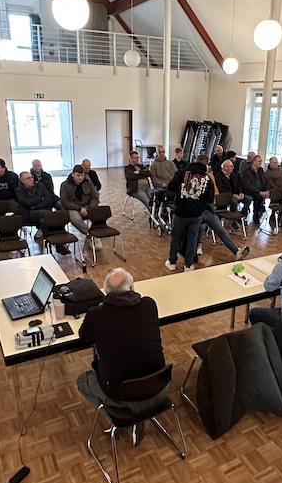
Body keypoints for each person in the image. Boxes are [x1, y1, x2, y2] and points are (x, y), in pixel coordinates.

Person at [77, 268, 166, 446]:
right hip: (158, 386)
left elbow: (84, 336)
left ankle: (125, 420)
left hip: (119, 392)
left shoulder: (96, 314)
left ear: (106, 294)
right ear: (132, 288)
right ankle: (135, 418)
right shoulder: (149, 305)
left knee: (82, 382)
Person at [165, 160, 214, 272]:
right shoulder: (207, 178)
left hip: (180, 212)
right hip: (196, 214)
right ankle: (188, 265)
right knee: (192, 239)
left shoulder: (181, 173)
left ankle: (172, 262)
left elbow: (171, 187)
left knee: (176, 237)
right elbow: (210, 199)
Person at [15, 170, 67, 251]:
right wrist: (40, 198)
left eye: (32, 177)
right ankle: (58, 242)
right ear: (22, 181)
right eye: (28, 178)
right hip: (28, 214)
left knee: (44, 220)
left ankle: (56, 241)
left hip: (41, 212)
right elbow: (27, 203)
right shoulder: (18, 191)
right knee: (49, 215)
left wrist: (35, 206)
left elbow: (48, 199)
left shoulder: (40, 186)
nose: (31, 179)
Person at [60, 164, 100, 246]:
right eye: (78, 175)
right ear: (73, 174)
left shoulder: (88, 182)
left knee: (99, 213)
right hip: (73, 208)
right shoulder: (65, 185)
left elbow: (95, 197)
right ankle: (91, 234)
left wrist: (90, 208)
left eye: (82, 175)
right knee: (75, 218)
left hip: (87, 206)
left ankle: (95, 233)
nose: (80, 178)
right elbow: (65, 202)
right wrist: (79, 209)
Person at [240, 153, 269, 223]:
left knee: (269, 194)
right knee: (259, 197)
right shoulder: (247, 172)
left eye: (261, 161)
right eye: (259, 161)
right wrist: (260, 192)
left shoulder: (261, 170)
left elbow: (265, 181)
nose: (261, 163)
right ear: (254, 162)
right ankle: (256, 215)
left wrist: (267, 190)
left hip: (260, 190)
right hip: (250, 191)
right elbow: (248, 186)